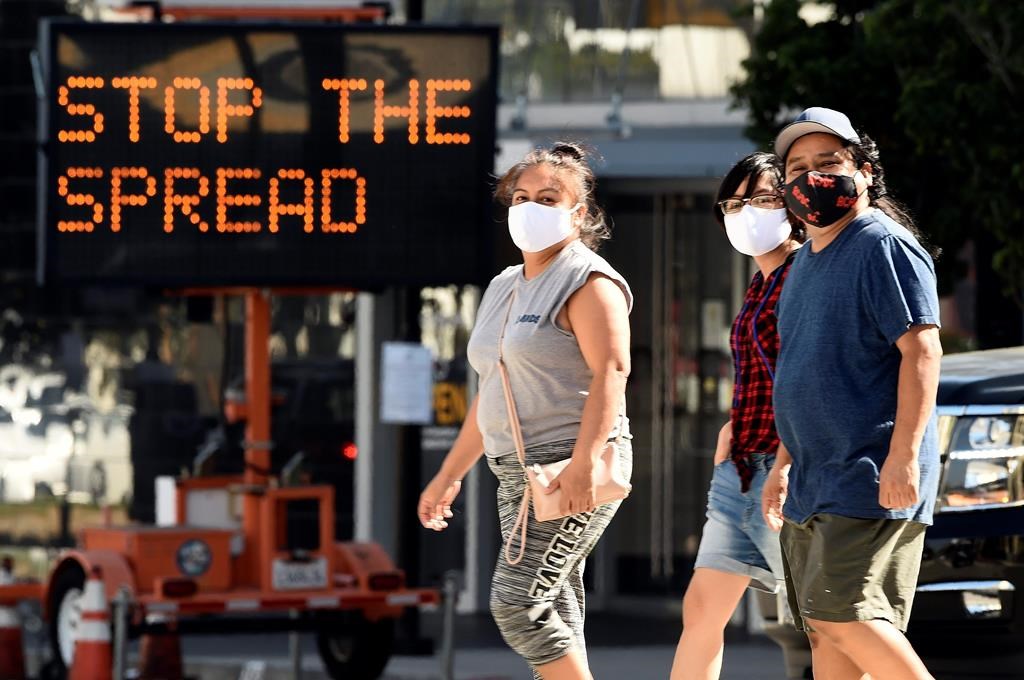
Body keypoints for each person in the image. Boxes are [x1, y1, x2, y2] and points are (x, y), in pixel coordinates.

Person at [417, 142, 633, 680]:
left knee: (518, 606)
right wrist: (449, 475)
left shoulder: (588, 280)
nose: (530, 207)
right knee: (556, 606)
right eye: (521, 196)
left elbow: (613, 371)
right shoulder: (502, 286)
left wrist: (584, 463)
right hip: (514, 471)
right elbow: (494, 391)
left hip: (567, 463)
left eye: (548, 197)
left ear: (579, 213)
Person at [763, 107, 942, 680]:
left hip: (867, 476)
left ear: (864, 171)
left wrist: (904, 456)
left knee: (845, 617)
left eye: (829, 163)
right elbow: (802, 371)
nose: (811, 177)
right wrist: (783, 463)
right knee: (827, 641)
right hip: (813, 481)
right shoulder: (804, 264)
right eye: (798, 167)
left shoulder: (882, 245)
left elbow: (922, 351)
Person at [670, 152, 803, 680]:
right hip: (741, 468)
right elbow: (760, 373)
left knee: (829, 623)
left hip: (784, 470)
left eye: (763, 199)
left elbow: (805, 379)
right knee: (702, 610)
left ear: (793, 205)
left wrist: (786, 462)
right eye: (735, 202)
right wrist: (732, 426)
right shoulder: (758, 283)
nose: (746, 212)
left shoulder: (804, 275)